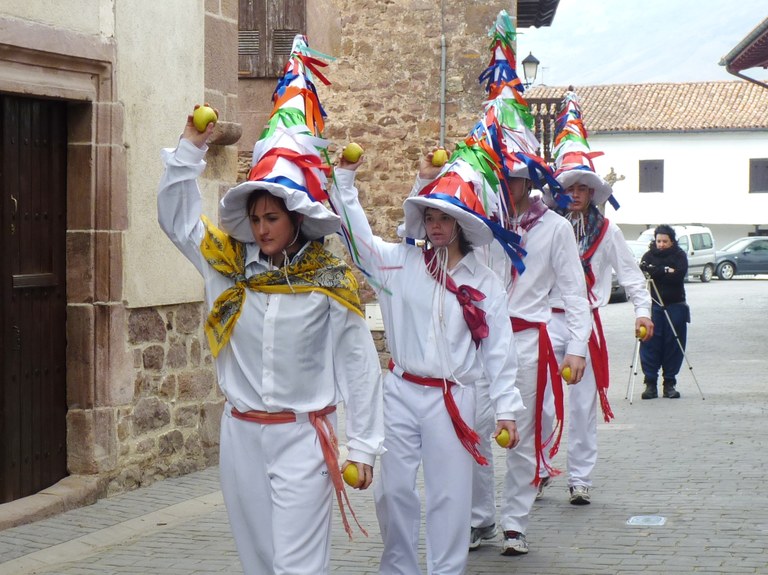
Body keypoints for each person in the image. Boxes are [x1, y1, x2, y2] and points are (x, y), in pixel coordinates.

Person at [157, 35, 384, 575]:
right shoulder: (227, 266)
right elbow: (179, 223)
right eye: (255, 219)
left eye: (272, 219)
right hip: (240, 434)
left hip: (305, 436)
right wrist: (189, 148)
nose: (261, 229)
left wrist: (365, 446)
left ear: (297, 218)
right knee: (259, 562)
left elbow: (358, 361)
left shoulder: (329, 280)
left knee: (297, 567)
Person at [330, 147, 524, 575]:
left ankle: (446, 570)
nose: (436, 226)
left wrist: (508, 408)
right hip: (399, 390)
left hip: (453, 399)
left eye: (445, 219)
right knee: (392, 489)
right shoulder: (398, 263)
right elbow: (358, 240)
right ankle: (398, 568)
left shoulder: (484, 282)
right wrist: (344, 183)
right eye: (430, 218)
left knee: (449, 494)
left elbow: (499, 350)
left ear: (461, 224)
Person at [466, 11, 592, 557]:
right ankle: (480, 518)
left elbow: (573, 292)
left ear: (529, 176)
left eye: (511, 174)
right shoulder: (477, 223)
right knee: (472, 429)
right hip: (475, 341)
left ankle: (516, 520)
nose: (504, 182)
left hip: (527, 342)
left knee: (522, 435)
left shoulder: (557, 228)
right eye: (497, 172)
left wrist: (579, 347)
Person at [544, 89, 654, 507]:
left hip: (584, 322)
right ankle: (538, 467)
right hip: (542, 321)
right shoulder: (540, 229)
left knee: (583, 404)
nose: (574, 193)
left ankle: (580, 478)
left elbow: (631, 275)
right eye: (568, 186)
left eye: (583, 188)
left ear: (592, 194)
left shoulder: (607, 234)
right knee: (541, 404)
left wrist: (642, 312)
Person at [639, 224, 689, 399]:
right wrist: (665, 270)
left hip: (675, 305)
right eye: (658, 240)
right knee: (649, 342)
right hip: (653, 307)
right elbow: (644, 270)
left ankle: (669, 383)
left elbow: (679, 275)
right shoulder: (648, 255)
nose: (661, 244)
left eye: (664, 241)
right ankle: (650, 383)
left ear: (672, 241)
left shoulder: (679, 255)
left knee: (673, 344)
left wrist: (657, 271)